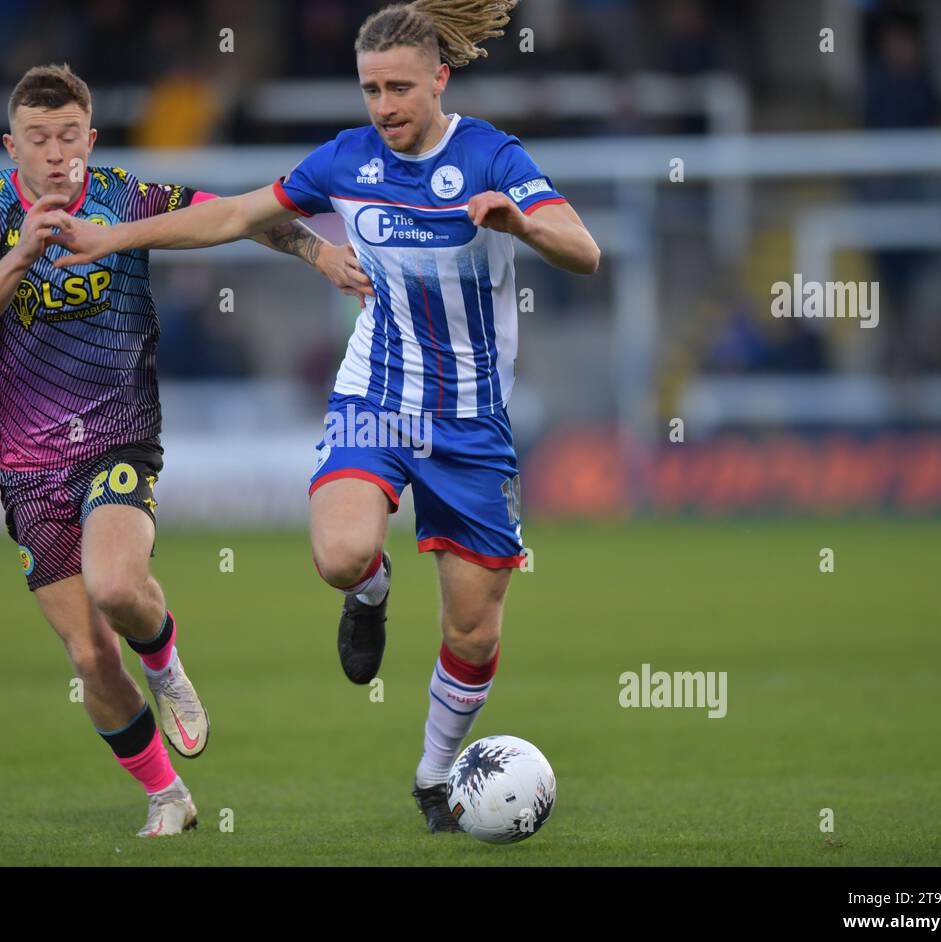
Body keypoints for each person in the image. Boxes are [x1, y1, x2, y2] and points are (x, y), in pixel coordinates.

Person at [48, 1, 599, 834]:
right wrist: (115, 236)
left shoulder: (491, 155)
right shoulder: (347, 160)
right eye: (371, 89)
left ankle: (433, 773)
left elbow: (583, 248)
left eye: (401, 89)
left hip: (470, 422)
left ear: (440, 79)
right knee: (341, 556)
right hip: (373, 395)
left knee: (474, 633)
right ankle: (371, 591)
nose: (385, 107)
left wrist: (519, 220)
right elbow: (234, 214)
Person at [0, 63, 367, 837]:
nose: (55, 154)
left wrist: (316, 254)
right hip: (28, 469)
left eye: (69, 136)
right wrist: (20, 254)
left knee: (115, 586)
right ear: (13, 147)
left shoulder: (126, 198)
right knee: (90, 660)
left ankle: (165, 661)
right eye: (38, 140)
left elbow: (238, 215)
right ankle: (168, 794)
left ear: (91, 139)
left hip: (119, 440)